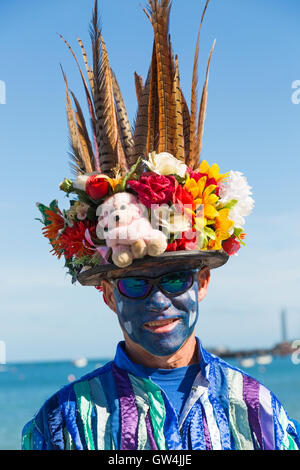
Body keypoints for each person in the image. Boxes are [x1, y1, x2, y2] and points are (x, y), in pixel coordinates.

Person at [22, 0, 300, 451]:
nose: (159, 300)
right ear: (109, 293)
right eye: (135, 283)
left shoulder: (260, 411)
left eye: (174, 277)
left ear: (202, 280)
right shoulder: (64, 423)